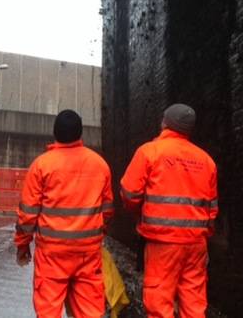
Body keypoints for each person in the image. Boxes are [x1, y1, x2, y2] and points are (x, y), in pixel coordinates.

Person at [120, 104, 218, 318]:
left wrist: (140, 214)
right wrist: (202, 236)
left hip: (162, 242)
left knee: (159, 303)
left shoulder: (149, 152)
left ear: (165, 123)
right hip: (196, 245)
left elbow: (129, 193)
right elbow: (212, 208)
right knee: (194, 304)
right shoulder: (207, 161)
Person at [15, 109, 114, 318]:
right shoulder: (100, 165)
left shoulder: (42, 165)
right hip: (88, 253)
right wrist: (94, 234)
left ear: (55, 133)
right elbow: (107, 210)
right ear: (80, 134)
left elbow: (27, 214)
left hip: (52, 254)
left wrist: (23, 245)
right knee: (90, 311)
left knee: (49, 310)